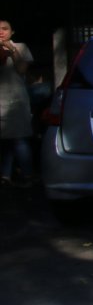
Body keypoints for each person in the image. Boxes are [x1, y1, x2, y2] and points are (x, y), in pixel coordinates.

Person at [0, 19, 35, 187]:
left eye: (5, 29)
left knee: (19, 139)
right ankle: (5, 175)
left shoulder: (21, 47)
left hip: (15, 100)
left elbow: (22, 69)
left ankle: (28, 174)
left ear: (12, 31)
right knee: (4, 141)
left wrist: (11, 49)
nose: (1, 32)